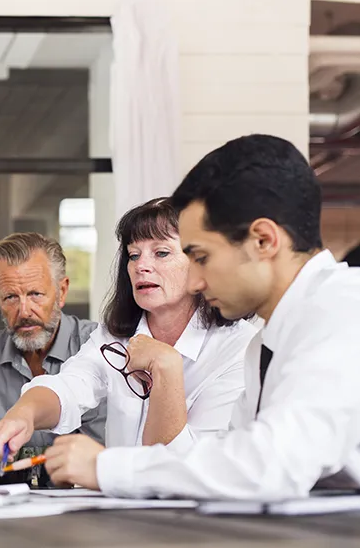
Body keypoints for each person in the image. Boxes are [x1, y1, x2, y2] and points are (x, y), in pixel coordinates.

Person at [28, 134, 360, 500]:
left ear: (264, 241)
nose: (197, 281)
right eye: (135, 256)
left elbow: (270, 463)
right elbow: (230, 459)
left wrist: (107, 467)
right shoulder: (265, 344)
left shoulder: (344, 308)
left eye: (201, 257)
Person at [0, 198, 256, 470]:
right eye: (134, 254)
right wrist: (24, 414)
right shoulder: (114, 336)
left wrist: (166, 365)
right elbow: (71, 385)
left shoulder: (239, 349)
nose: (141, 266)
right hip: (120, 506)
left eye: (161, 253)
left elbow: (179, 466)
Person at [0, 232, 105, 486]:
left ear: (61, 292)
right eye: (10, 298)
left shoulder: (98, 346)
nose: (24, 311)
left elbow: (105, 450)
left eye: (35, 294)